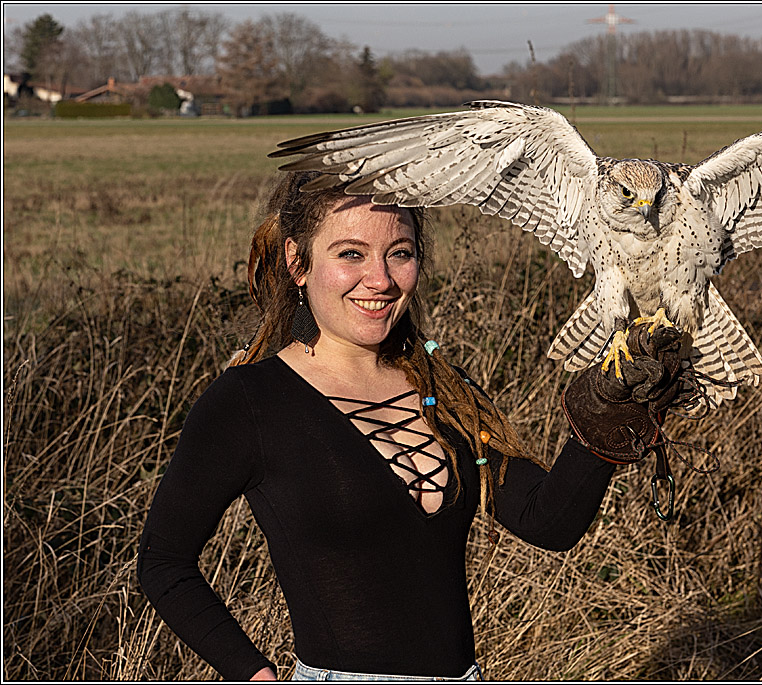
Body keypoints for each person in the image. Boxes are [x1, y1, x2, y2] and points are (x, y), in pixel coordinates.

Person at [137, 170, 688, 681]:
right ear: (296, 262)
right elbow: (165, 563)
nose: (378, 279)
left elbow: (546, 522)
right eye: (350, 254)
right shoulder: (249, 401)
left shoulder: (441, 388)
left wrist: (608, 423)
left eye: (398, 253)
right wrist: (255, 675)